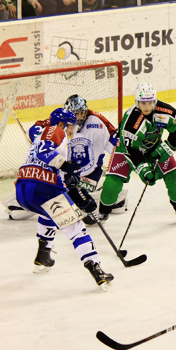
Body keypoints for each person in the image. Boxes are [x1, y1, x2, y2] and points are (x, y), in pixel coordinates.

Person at [14, 107, 115, 290]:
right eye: (71, 126)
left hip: (23, 191)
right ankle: (96, 269)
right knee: (77, 230)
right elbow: (44, 153)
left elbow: (65, 179)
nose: (72, 131)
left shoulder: (46, 139)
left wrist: (80, 197)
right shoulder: (55, 130)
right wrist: (66, 164)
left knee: (48, 213)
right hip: (43, 188)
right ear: (61, 123)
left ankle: (43, 255)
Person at [5, 94, 127, 221]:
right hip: (64, 174)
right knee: (55, 201)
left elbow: (114, 141)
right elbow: (36, 128)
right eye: (75, 114)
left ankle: (112, 198)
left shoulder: (97, 120)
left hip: (89, 175)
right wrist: (40, 139)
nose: (78, 118)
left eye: (81, 113)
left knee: (81, 203)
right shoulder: (61, 122)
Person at [97, 83, 176, 224]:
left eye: (150, 102)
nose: (146, 106)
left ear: (154, 101)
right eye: (142, 103)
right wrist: (143, 169)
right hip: (126, 149)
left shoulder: (165, 112)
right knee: (112, 182)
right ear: (137, 102)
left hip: (154, 147)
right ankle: (102, 213)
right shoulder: (130, 119)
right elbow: (130, 149)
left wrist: (166, 147)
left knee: (175, 177)